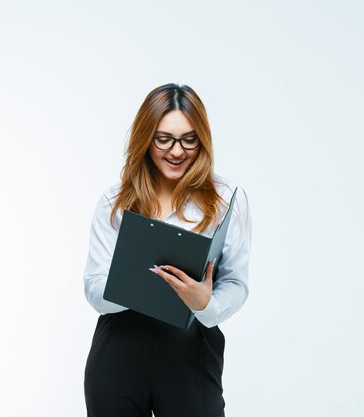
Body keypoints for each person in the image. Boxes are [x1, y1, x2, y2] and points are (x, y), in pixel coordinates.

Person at [82, 83, 252, 417]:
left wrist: (206, 304)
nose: (177, 151)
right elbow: (93, 287)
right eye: (164, 139)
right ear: (146, 138)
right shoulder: (114, 202)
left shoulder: (225, 200)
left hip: (190, 349)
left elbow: (236, 282)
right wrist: (136, 285)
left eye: (189, 139)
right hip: (119, 347)